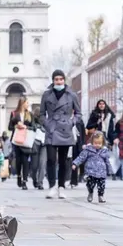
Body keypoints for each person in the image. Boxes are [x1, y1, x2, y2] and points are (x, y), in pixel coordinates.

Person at [40, 69, 82, 199]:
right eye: (56, 79)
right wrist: (47, 124)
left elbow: (78, 114)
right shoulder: (46, 95)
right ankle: (52, 186)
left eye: (61, 79)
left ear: (64, 80)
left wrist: (71, 122)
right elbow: (41, 114)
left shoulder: (72, 95)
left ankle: (61, 187)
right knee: (51, 159)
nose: (59, 81)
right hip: (52, 130)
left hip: (65, 129)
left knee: (63, 161)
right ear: (53, 81)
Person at [72, 131, 113, 203]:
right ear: (92, 142)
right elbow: (81, 157)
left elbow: (107, 161)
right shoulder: (88, 149)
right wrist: (75, 164)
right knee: (90, 184)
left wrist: (109, 170)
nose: (97, 145)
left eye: (99, 143)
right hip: (91, 171)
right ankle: (90, 193)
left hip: (101, 172)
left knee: (102, 185)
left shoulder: (104, 151)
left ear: (103, 143)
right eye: (95, 143)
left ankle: (101, 196)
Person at [8, 96, 35, 190]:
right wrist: (16, 126)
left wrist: (25, 127)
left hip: (26, 140)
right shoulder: (14, 114)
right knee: (18, 160)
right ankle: (19, 176)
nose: (28, 105)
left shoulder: (30, 114)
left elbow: (34, 127)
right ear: (22, 103)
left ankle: (25, 181)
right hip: (16, 140)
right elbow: (9, 127)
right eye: (27, 103)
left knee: (25, 160)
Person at [86, 99, 116, 179]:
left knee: (104, 154)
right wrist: (97, 122)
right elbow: (88, 126)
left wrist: (112, 140)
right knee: (96, 155)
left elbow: (111, 129)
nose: (101, 105)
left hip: (106, 136)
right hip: (96, 136)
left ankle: (106, 172)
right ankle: (95, 172)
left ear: (105, 105)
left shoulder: (109, 115)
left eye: (103, 104)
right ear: (98, 105)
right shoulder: (94, 114)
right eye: (100, 104)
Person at [30, 107, 46, 190]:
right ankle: (34, 179)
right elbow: (30, 128)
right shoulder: (33, 120)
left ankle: (40, 182)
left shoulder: (47, 120)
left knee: (42, 163)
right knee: (35, 165)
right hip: (35, 143)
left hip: (44, 143)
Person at [70, 118, 86, 187]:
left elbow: (83, 132)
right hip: (68, 142)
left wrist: (83, 143)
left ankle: (77, 178)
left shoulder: (79, 120)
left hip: (77, 143)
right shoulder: (65, 117)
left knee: (77, 160)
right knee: (70, 161)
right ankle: (71, 180)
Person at [113, 111, 123, 180]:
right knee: (122, 161)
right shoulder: (119, 123)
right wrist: (115, 138)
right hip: (121, 144)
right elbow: (116, 132)